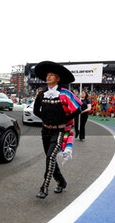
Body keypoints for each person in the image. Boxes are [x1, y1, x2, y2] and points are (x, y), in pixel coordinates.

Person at [33, 61, 82, 199]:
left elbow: (79, 108)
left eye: (52, 75)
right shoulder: (41, 94)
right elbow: (36, 110)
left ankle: (44, 188)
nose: (48, 77)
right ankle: (62, 182)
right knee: (51, 159)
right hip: (45, 132)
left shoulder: (65, 93)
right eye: (47, 75)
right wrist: (46, 120)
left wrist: (64, 120)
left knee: (50, 157)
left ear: (58, 79)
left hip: (59, 132)